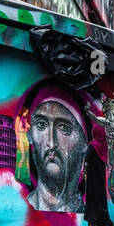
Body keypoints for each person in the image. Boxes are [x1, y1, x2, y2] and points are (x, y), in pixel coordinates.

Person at [27, 85, 88, 213]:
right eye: (41, 125)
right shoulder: (23, 209)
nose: (51, 143)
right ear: (30, 135)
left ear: (83, 142)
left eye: (64, 128)